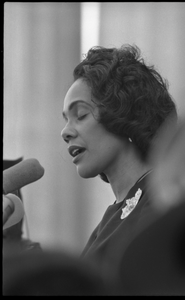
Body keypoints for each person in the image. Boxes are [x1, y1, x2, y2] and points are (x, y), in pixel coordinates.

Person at [61, 44, 177, 278]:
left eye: (81, 115)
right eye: (65, 120)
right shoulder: (110, 219)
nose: (65, 132)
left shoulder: (164, 204)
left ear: (125, 112)